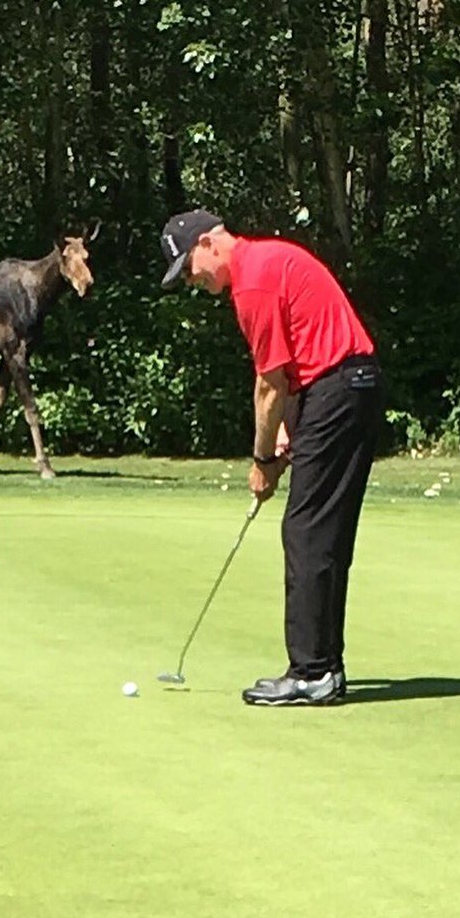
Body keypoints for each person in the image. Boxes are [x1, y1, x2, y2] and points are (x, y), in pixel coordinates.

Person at [160, 209, 383, 705]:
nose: (193, 280)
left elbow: (268, 385)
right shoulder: (267, 260)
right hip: (349, 386)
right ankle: (326, 666)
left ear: (209, 244)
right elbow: (293, 366)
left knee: (305, 530)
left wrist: (262, 459)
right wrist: (288, 431)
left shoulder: (253, 283)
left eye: (190, 268)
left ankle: (311, 671)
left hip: (337, 388)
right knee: (324, 532)